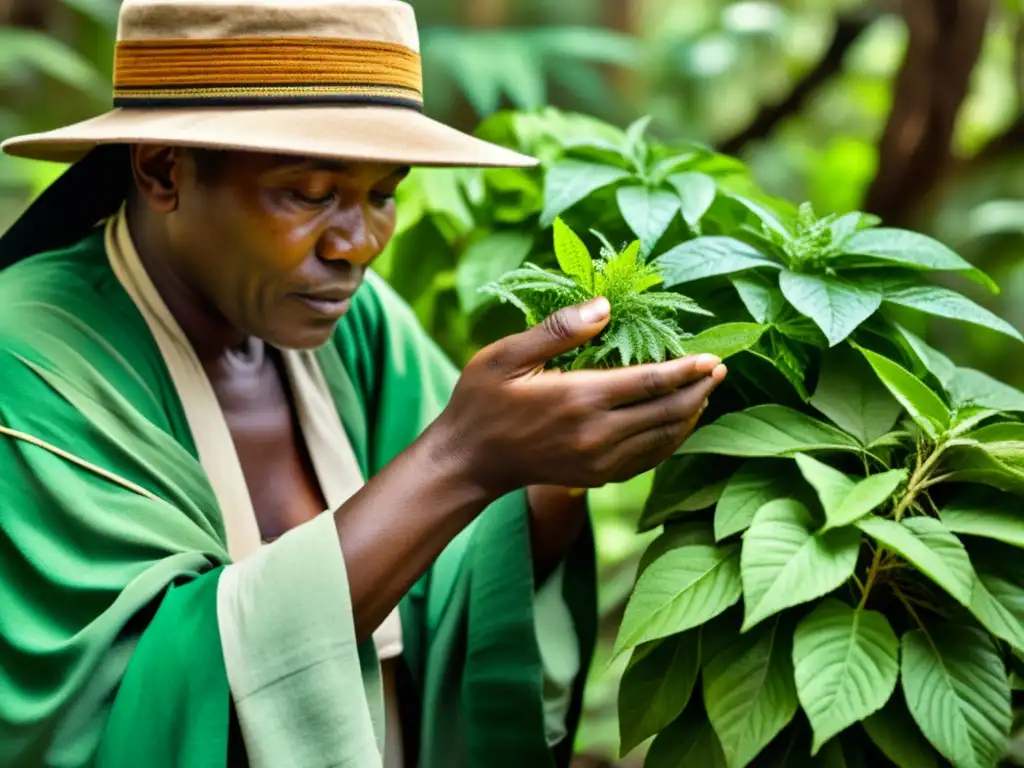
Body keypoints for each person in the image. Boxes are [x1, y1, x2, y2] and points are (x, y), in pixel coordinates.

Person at [0, 1, 727, 766]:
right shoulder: (28, 360)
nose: (359, 246)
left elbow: (469, 567)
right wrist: (465, 460)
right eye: (311, 195)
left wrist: (552, 467)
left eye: (383, 194)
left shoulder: (355, 321)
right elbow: (124, 706)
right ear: (161, 170)